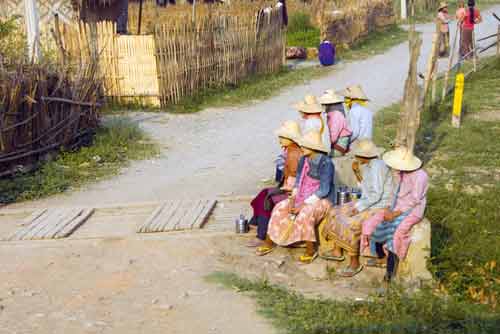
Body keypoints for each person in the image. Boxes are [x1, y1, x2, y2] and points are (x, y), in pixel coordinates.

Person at [256, 131, 335, 264]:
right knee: (279, 208)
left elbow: (324, 190)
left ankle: (310, 250)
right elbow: (298, 181)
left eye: (304, 146)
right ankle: (269, 242)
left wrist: (303, 204)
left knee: (305, 213)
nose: (301, 147)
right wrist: (293, 198)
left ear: (313, 148)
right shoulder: (304, 159)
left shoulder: (326, 163)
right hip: (302, 194)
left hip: (322, 199)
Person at [321, 140, 393, 277]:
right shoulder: (367, 165)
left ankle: (354, 262)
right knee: (335, 212)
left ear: (364, 156)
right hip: (367, 201)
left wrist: (359, 208)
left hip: (379, 205)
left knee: (351, 223)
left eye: (357, 155)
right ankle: (337, 250)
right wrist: (357, 173)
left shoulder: (378, 167)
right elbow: (365, 188)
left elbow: (376, 195)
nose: (355, 158)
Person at [361, 147, 429, 282]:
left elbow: (414, 200)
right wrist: (387, 209)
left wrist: (395, 214)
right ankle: (381, 257)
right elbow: (394, 192)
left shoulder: (420, 176)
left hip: (412, 210)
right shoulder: (400, 173)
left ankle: (389, 275)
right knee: (372, 224)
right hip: (395, 206)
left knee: (396, 234)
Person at [247, 121, 303, 247]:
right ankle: (256, 223)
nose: (279, 140)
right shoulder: (291, 150)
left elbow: (295, 179)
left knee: (266, 199)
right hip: (290, 187)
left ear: (291, 138)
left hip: (294, 192)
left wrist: (285, 188)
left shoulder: (294, 153)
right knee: (263, 193)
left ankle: (261, 235)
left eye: (282, 137)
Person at [319, 90, 352, 157]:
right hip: (336, 144)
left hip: (338, 147)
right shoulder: (333, 113)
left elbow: (333, 137)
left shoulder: (336, 115)